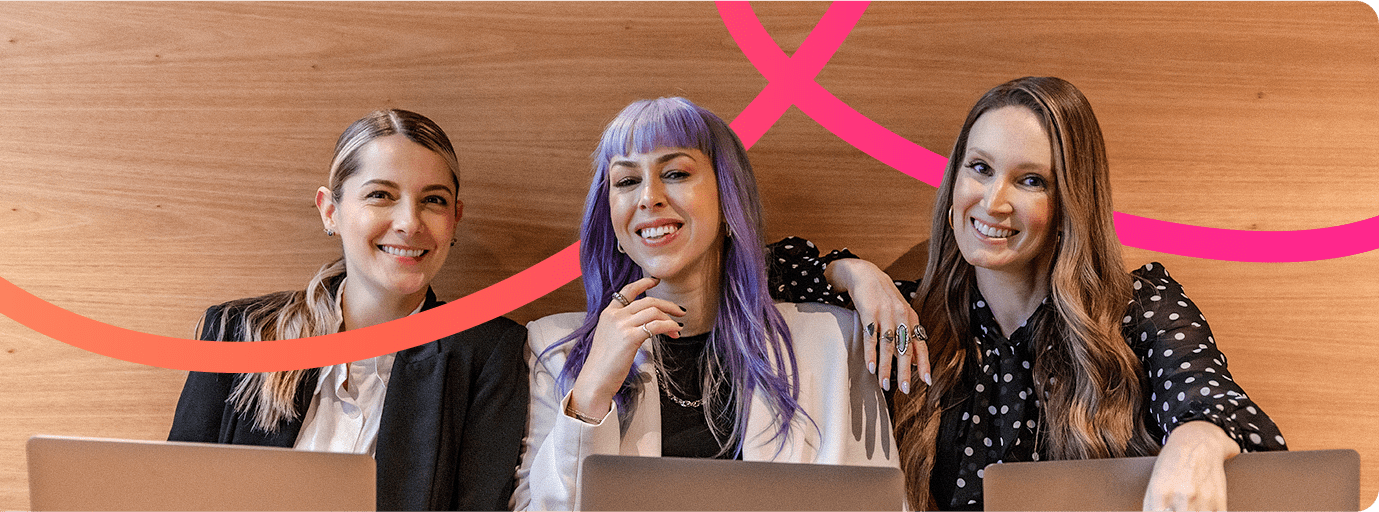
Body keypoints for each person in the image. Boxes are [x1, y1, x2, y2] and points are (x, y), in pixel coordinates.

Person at [769, 77, 1285, 511]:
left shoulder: (1137, 307)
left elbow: (1225, 410)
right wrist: (857, 274)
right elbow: (755, 271)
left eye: (1030, 180)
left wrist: (1196, 439)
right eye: (980, 168)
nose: (993, 202)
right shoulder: (911, 323)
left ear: (1070, 203)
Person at [512, 97, 897, 511]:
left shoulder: (836, 340)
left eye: (675, 173)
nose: (649, 197)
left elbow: (883, 502)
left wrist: (854, 270)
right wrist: (589, 395)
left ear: (729, 201)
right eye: (626, 181)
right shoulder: (554, 348)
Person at [168, 109, 528, 511]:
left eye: (433, 200)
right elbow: (173, 496)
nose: (409, 222)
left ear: (455, 219)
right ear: (330, 211)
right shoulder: (238, 332)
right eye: (381, 195)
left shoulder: (491, 356)